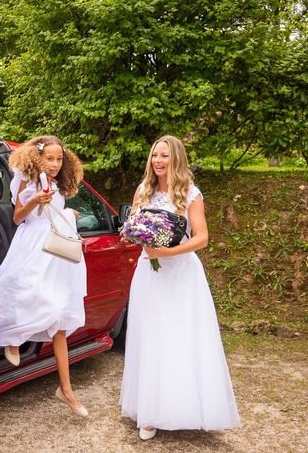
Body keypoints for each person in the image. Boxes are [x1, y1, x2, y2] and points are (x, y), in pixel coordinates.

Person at [120, 135, 240, 440]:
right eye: (155, 155)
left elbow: (201, 237)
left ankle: (182, 407)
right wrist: (132, 235)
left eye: (165, 156)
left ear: (176, 159)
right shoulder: (143, 190)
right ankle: (150, 412)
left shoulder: (190, 193)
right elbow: (133, 226)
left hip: (181, 275)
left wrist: (168, 253)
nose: (158, 161)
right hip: (150, 274)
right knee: (151, 337)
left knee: (179, 337)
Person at [0, 135, 89, 417]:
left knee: (59, 317)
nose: (55, 164)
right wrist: (35, 200)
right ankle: (13, 337)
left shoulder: (59, 183)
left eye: (59, 159)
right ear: (38, 157)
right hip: (32, 246)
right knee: (23, 291)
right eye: (49, 159)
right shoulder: (27, 179)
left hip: (57, 251)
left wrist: (70, 218)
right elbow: (17, 218)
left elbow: (57, 213)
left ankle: (67, 390)